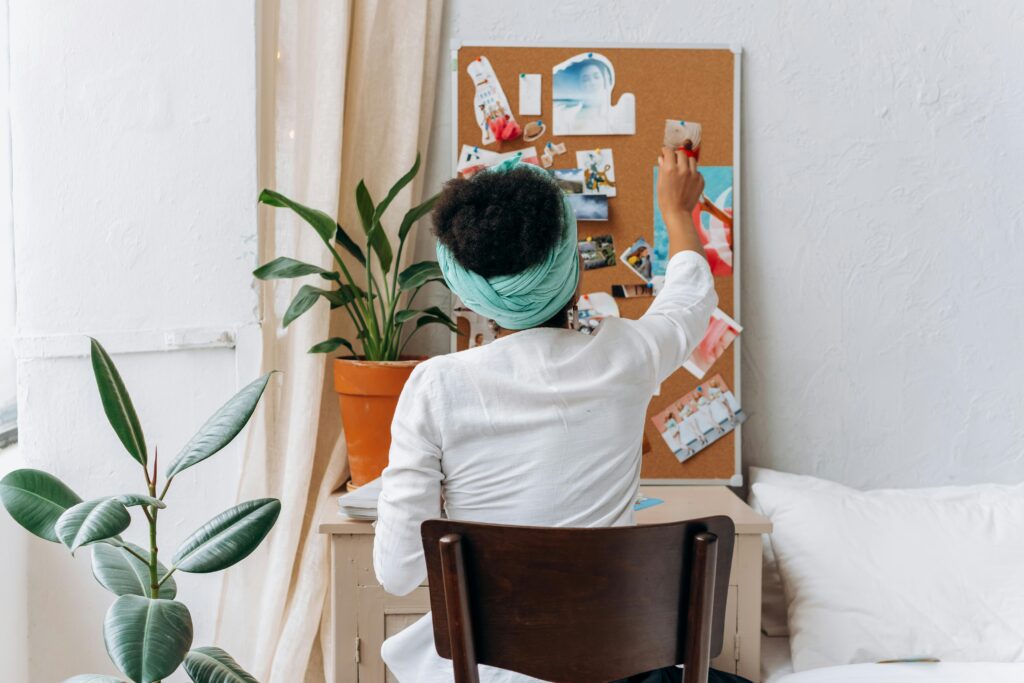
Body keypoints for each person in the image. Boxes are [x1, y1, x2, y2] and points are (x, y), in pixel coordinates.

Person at [373, 147, 750, 683]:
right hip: (618, 672)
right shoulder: (626, 355)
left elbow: (397, 573)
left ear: (473, 300)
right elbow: (689, 300)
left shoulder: (436, 387)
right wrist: (676, 212)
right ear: (574, 273)